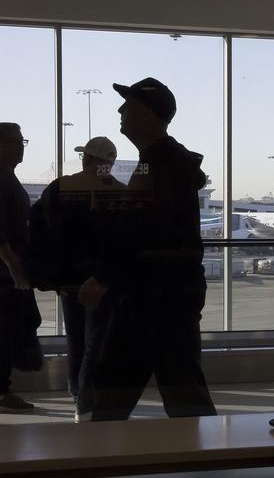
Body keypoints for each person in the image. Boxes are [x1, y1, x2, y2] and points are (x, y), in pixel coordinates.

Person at [78, 77, 216, 420]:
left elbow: (145, 231)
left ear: (149, 115)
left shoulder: (159, 165)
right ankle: (208, 461)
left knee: (115, 389)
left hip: (154, 297)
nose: (121, 110)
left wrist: (103, 277)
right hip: (160, 295)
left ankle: (95, 456)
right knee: (179, 389)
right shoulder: (159, 161)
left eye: (131, 105)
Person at [31, 136, 125, 421]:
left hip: (68, 280)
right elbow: (126, 239)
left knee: (77, 338)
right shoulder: (120, 193)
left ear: (86, 159)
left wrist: (45, 273)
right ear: (110, 164)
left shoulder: (59, 188)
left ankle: (77, 394)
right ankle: (86, 401)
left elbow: (36, 227)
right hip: (101, 281)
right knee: (96, 342)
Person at [0, 122, 42, 413]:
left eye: (22, 140)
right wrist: (16, 270)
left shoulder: (9, 179)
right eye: (15, 141)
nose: (21, 146)